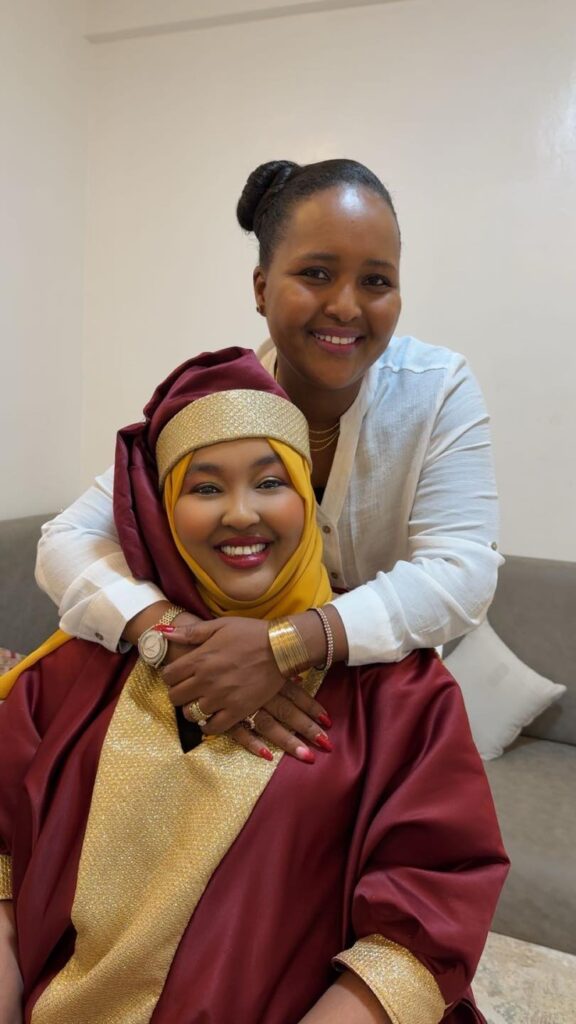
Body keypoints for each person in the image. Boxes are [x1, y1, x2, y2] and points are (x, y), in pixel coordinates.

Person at [0, 348, 507, 1024]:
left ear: (308, 501)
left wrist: (286, 646)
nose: (241, 514)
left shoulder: (402, 695)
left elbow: (422, 929)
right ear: (164, 510)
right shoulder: (84, 667)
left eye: (270, 482)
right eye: (206, 489)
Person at [34, 158, 503, 758]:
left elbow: (462, 572)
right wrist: (169, 636)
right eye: (316, 273)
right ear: (261, 288)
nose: (346, 306)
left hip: (382, 695)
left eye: (376, 281)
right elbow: (65, 539)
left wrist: (284, 645)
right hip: (222, 692)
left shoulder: (436, 391)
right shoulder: (217, 401)